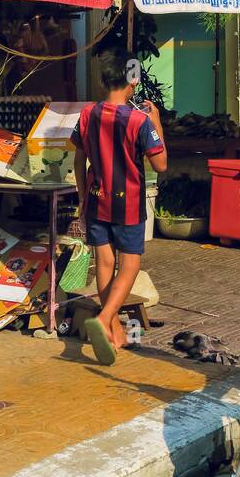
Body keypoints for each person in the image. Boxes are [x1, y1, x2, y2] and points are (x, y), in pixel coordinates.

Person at [71, 52, 167, 365]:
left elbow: (78, 158)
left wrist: (83, 196)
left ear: (103, 80)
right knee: (129, 265)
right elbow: (161, 163)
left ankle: (114, 332)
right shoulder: (139, 120)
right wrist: (157, 121)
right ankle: (105, 317)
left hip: (96, 197)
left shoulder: (88, 113)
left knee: (103, 262)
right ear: (132, 81)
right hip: (128, 201)